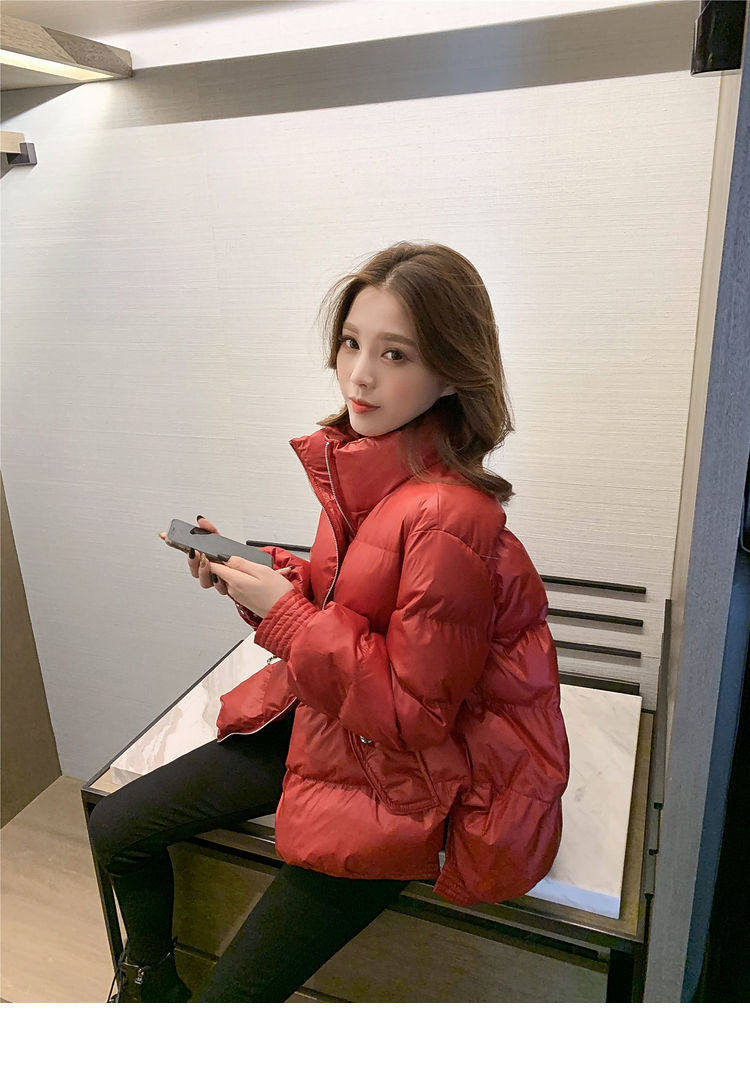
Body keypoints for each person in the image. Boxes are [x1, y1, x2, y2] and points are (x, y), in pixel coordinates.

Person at [87, 241, 570, 1003]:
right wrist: (256, 572)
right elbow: (348, 601)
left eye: (394, 353)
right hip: (337, 725)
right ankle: (149, 983)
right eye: (350, 343)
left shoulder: (451, 519)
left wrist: (283, 617)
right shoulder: (373, 470)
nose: (359, 374)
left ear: (452, 372)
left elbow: (414, 713)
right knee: (116, 825)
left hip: (411, 779)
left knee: (230, 1002)